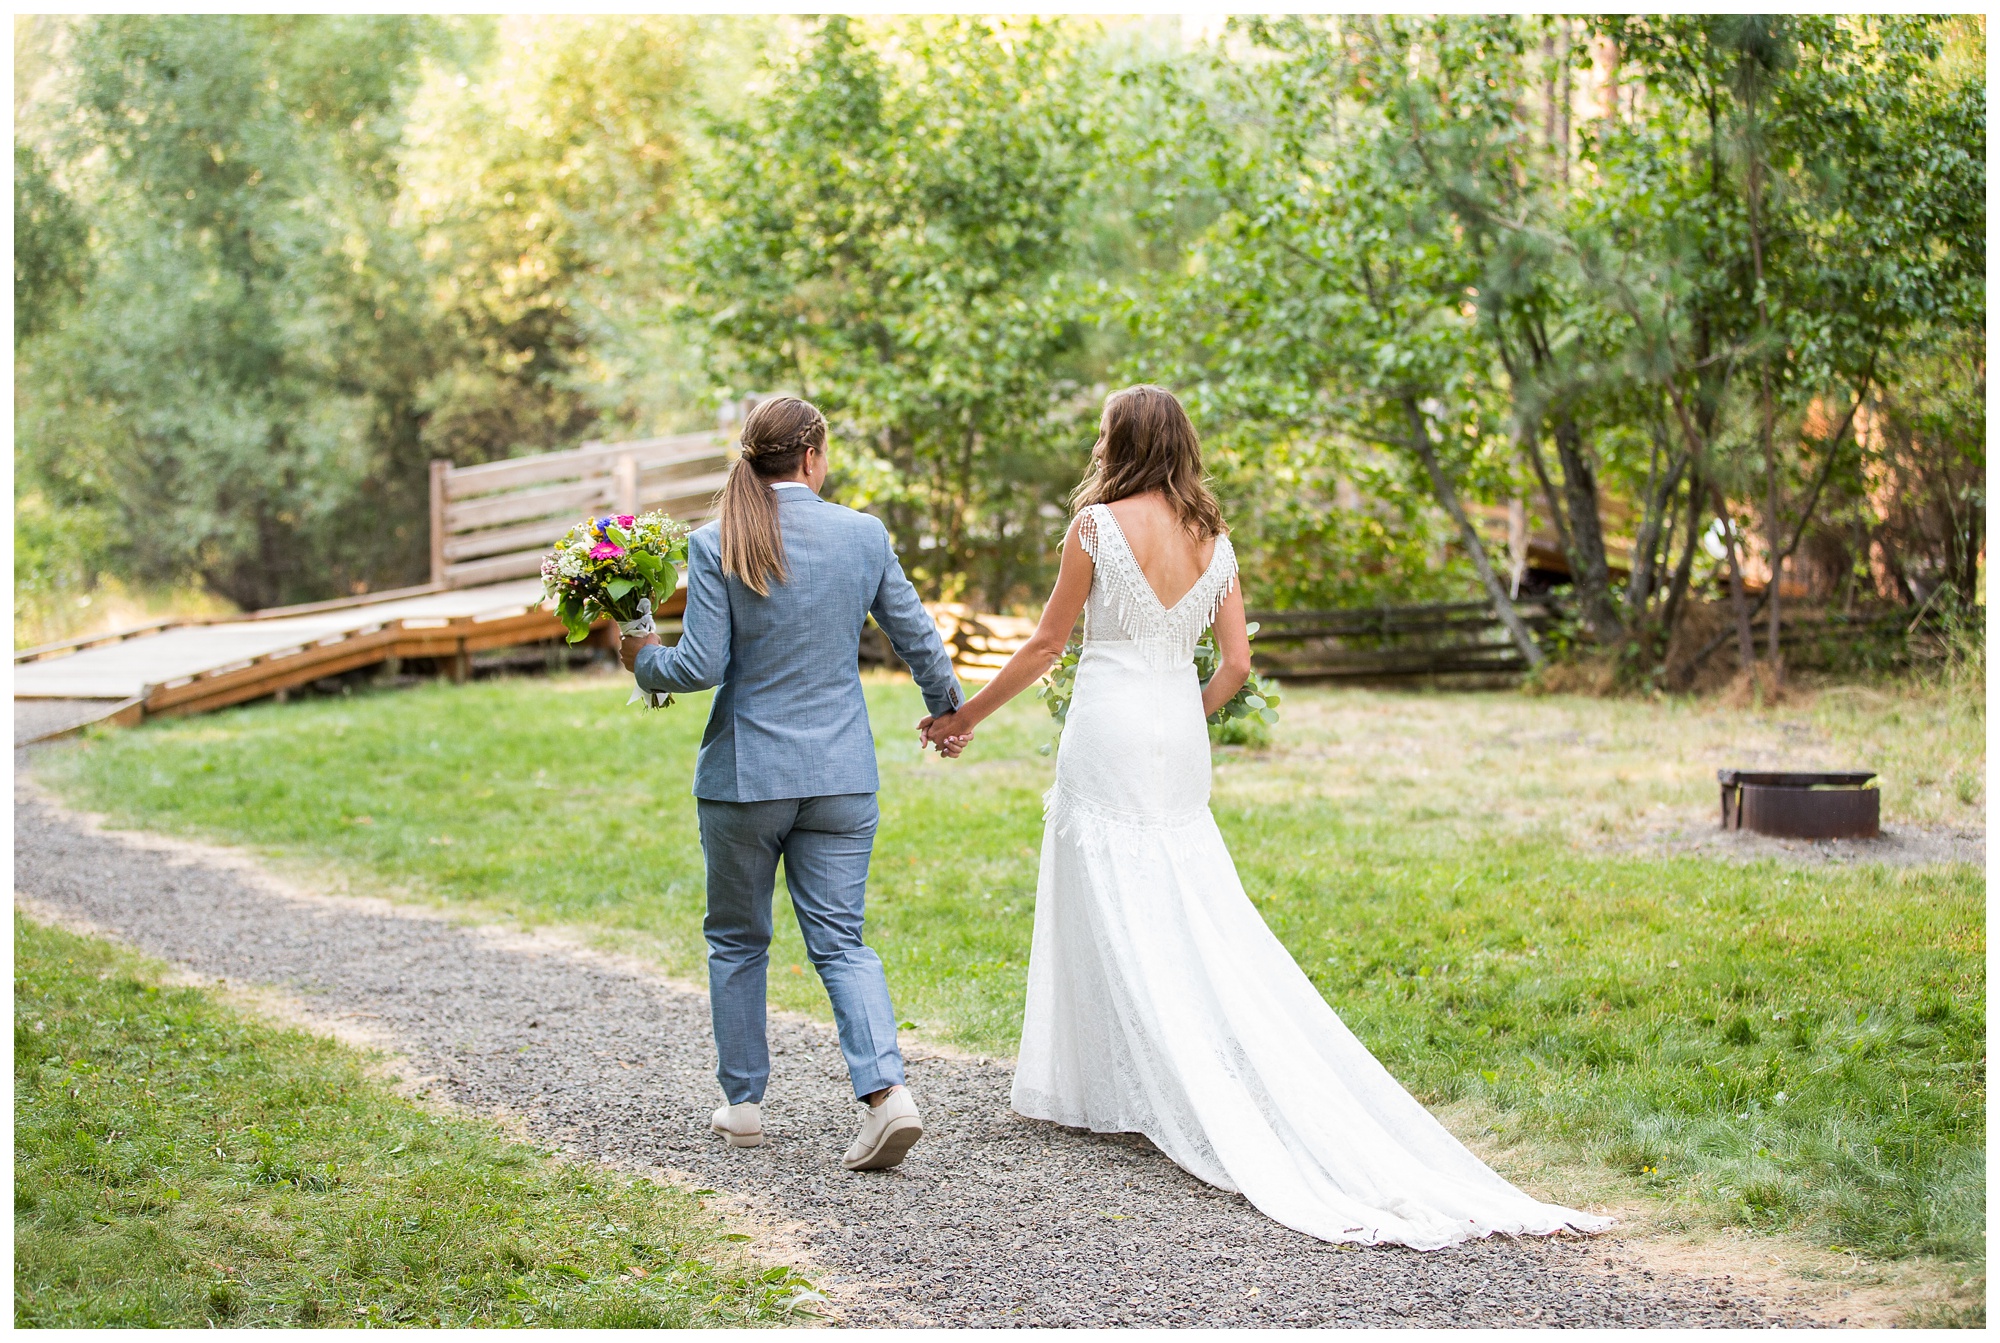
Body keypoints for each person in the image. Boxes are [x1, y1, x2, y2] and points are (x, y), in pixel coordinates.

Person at [916, 385, 1611, 1249]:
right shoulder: (1216, 539)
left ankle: (1122, 1085)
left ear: (1120, 441)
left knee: (1106, 894)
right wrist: (1181, 713)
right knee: (1185, 896)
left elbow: (1048, 644)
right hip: (1177, 732)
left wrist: (965, 716)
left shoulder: (1095, 527)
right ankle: (1139, 1078)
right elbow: (1238, 663)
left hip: (1108, 730)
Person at [620, 395, 964, 1172]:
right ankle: (887, 1096)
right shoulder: (863, 534)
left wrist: (642, 655)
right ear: (812, 456)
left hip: (746, 778)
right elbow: (916, 636)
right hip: (841, 775)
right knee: (842, 941)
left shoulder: (717, 542)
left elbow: (700, 666)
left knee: (738, 940)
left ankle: (743, 1105)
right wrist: (947, 712)